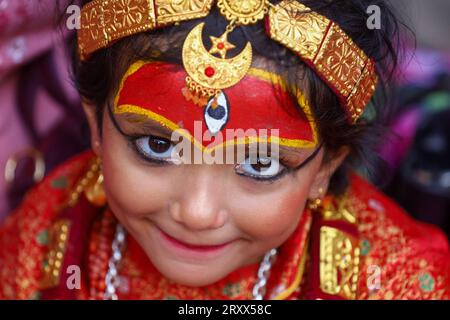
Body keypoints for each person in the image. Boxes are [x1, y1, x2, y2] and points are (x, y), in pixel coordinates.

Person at [1, 0, 449, 300]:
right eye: (157, 146)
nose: (197, 213)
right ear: (95, 123)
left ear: (325, 167)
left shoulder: (397, 277)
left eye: (260, 163)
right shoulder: (46, 232)